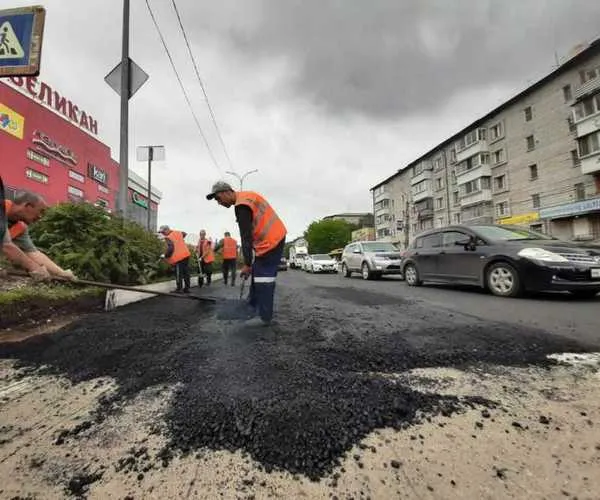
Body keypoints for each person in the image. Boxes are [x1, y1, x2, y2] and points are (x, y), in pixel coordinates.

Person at [206, 181, 287, 326]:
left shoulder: (242, 206)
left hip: (271, 242)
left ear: (227, 192)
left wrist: (247, 264)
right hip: (272, 239)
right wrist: (251, 264)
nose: (218, 203)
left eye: (218, 198)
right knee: (258, 275)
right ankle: (252, 308)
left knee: (264, 280)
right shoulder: (247, 196)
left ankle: (264, 317)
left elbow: (246, 237)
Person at [1, 190, 76, 281]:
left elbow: (33, 253)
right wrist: (33, 267)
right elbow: (6, 245)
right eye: (41, 211)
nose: (40, 217)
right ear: (28, 206)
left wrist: (61, 273)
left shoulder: (20, 227)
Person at [159, 225, 191, 293]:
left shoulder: (168, 237)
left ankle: (179, 289)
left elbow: (170, 248)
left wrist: (165, 255)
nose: (162, 234)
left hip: (179, 257)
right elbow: (184, 233)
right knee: (186, 272)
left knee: (178, 273)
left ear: (167, 230)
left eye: (163, 232)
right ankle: (187, 288)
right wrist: (180, 239)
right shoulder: (178, 232)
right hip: (186, 255)